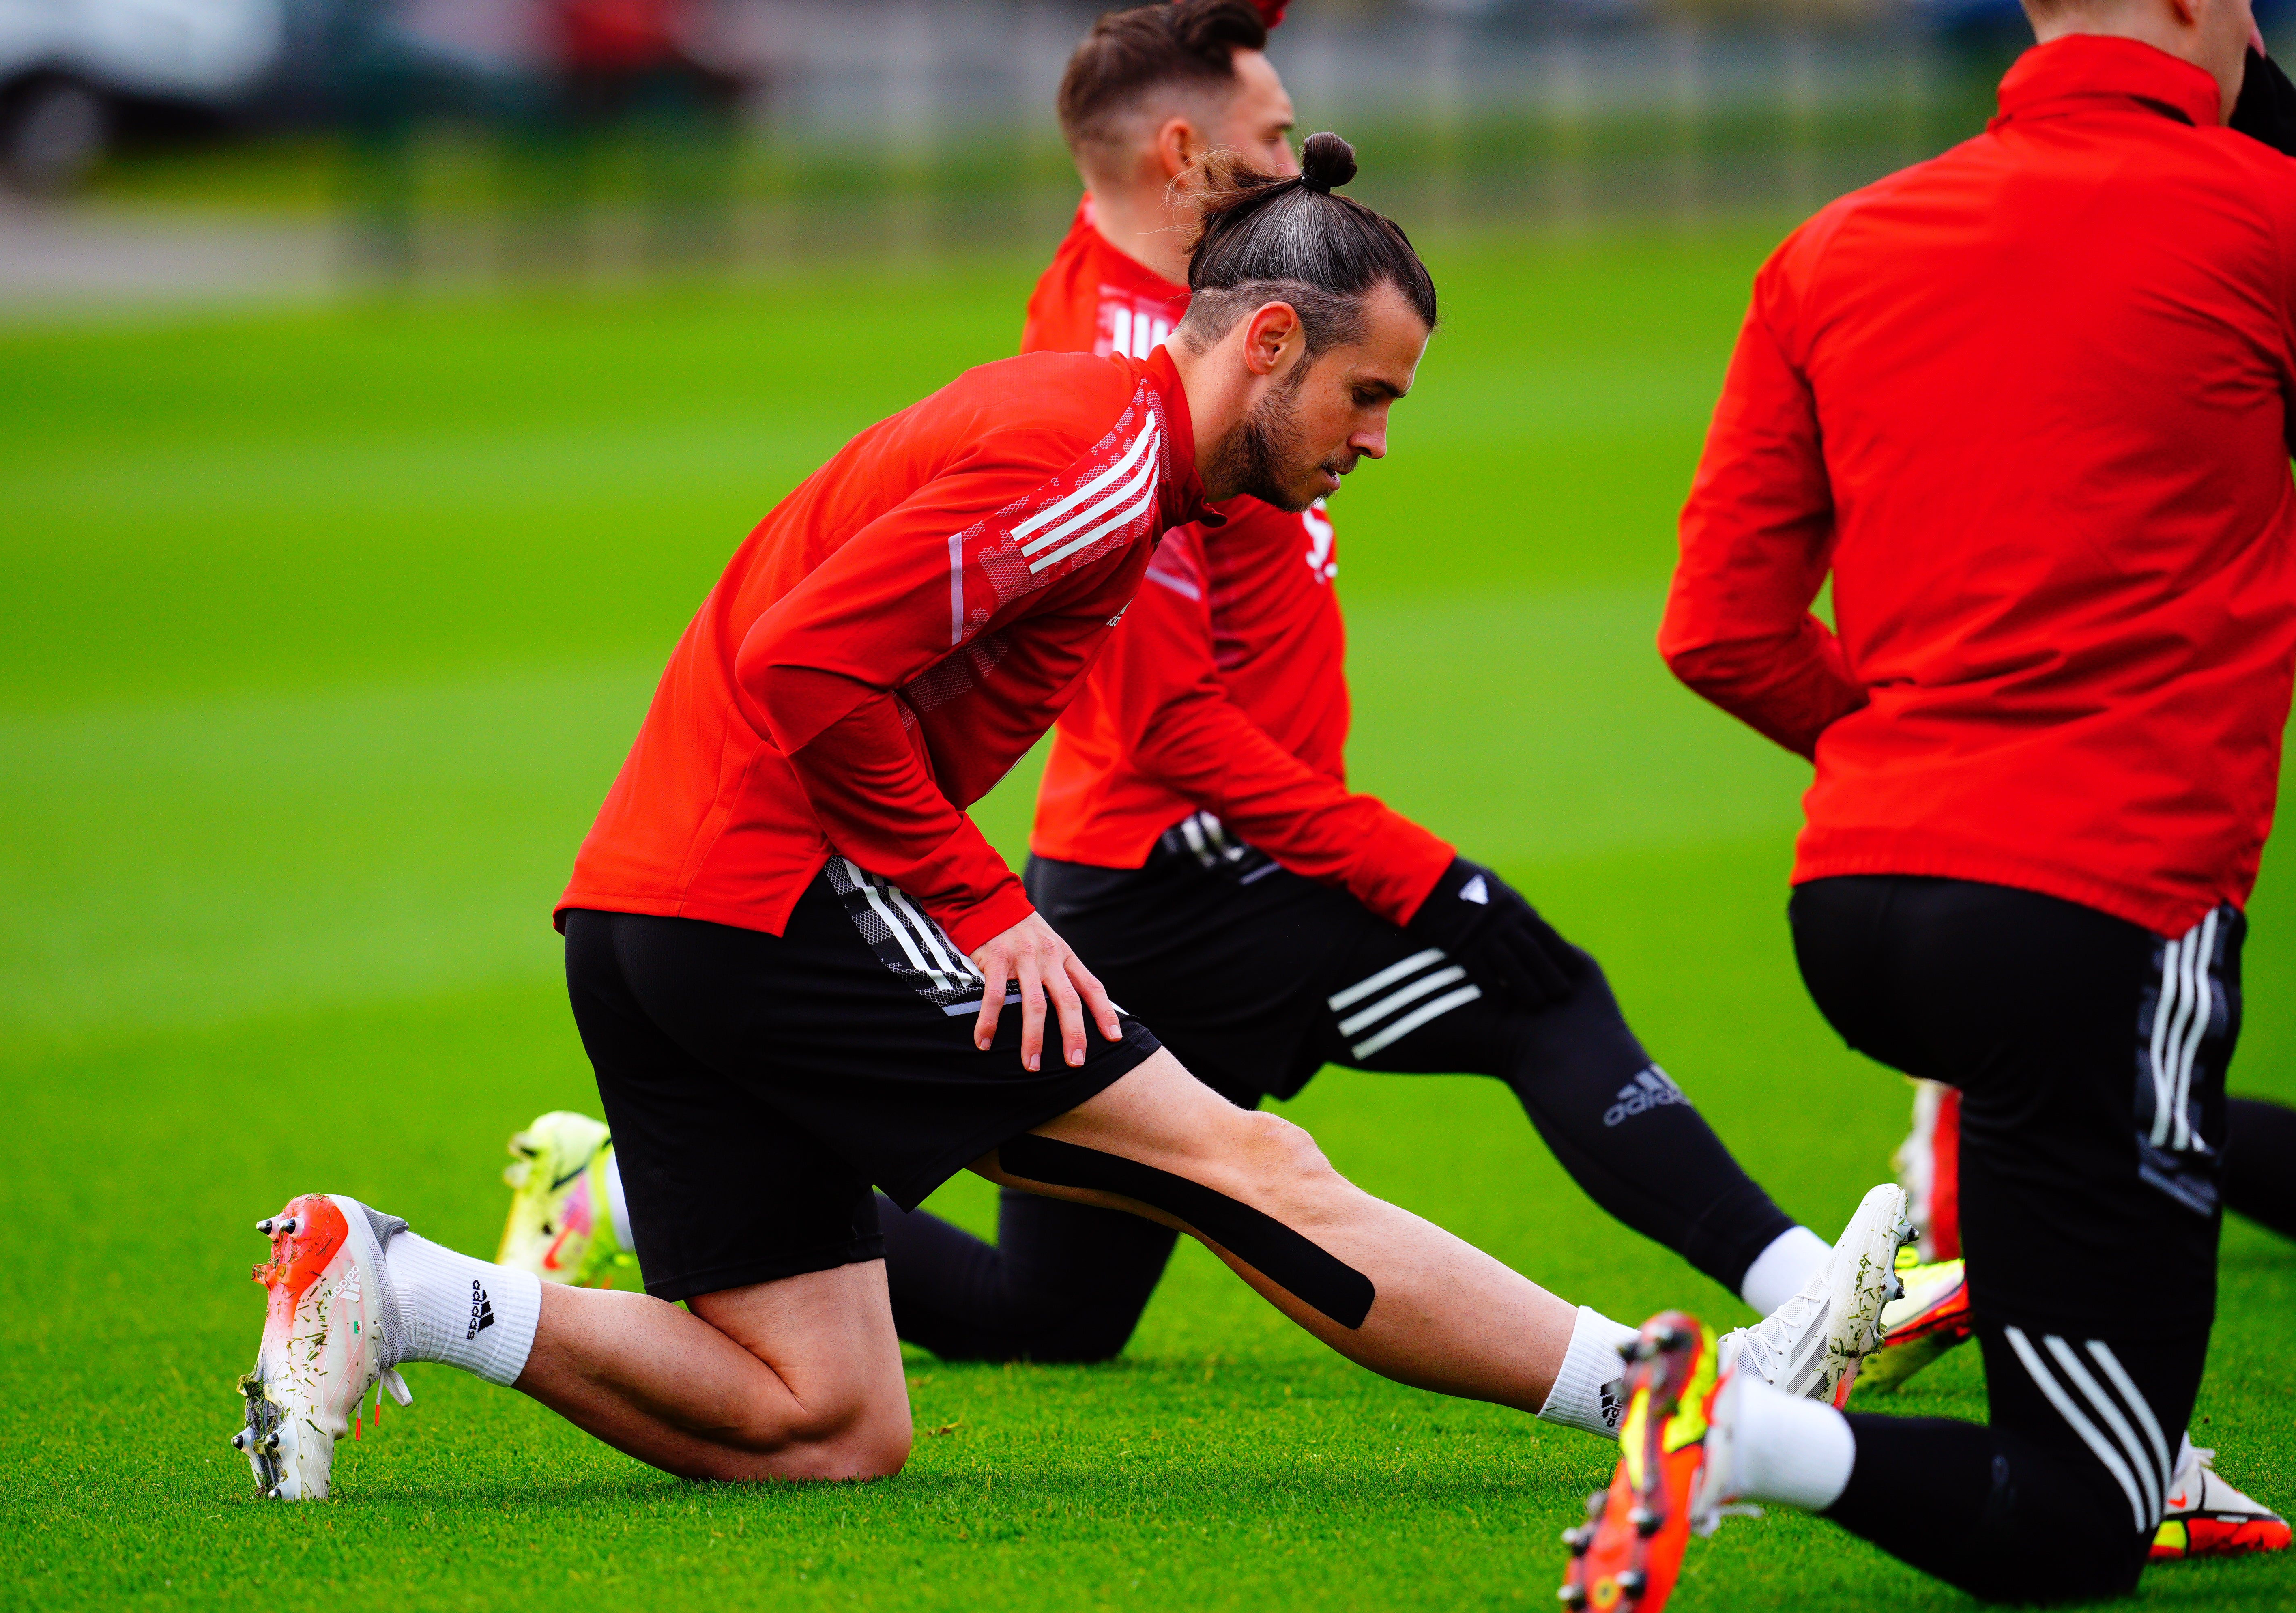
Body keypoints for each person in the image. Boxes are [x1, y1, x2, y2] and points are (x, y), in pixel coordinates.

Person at [228, 133, 1905, 1504]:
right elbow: (797, 662)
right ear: (1267, 346)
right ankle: (1679, 1416)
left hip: (660, 914)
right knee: (1248, 1165)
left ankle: (400, 1285)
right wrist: (984, 902)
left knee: (830, 1422)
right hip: (768, 894)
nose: (1374, 441)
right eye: (1367, 397)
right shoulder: (1099, 455)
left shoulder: (1110, 455)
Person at [1559, 4, 2296, 1608]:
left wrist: (1910, 753)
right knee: (2081, 1526)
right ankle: (1731, 1431)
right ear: (2194, 11)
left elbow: (1720, 628)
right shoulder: (2262, 218)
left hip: (1865, 903)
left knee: (2079, 1340)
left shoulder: (1836, 242)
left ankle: (1848, 1431)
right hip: (2103, 897)